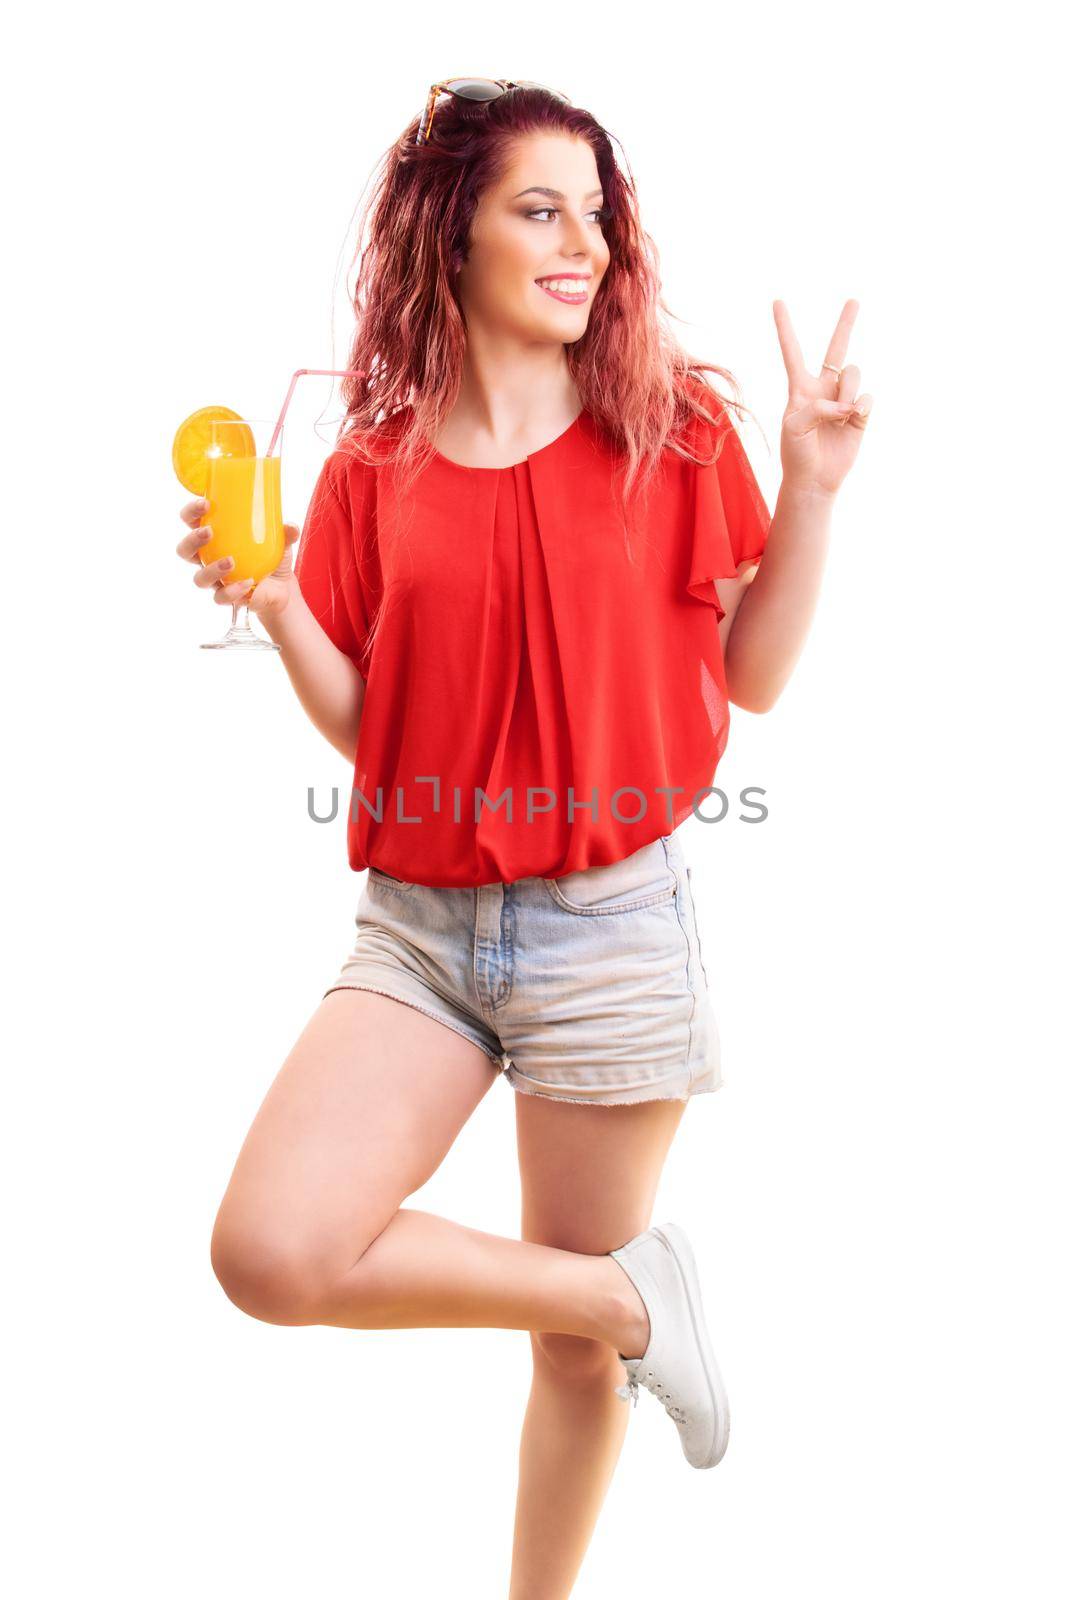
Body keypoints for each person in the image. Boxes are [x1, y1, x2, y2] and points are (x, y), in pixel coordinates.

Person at [175, 81, 871, 1598]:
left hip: (611, 928)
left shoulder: (669, 428)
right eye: (538, 209)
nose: (583, 242)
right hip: (417, 931)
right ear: (452, 234)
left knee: (564, 1361)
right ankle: (640, 1300)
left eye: (595, 212)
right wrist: (282, 599)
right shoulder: (374, 465)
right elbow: (382, 729)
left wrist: (810, 490)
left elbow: (752, 678)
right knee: (275, 1253)